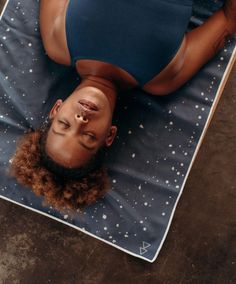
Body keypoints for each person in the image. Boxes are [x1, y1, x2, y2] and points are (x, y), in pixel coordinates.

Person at [9, 0, 236, 210]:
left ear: (56, 109)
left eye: (64, 125)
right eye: (88, 137)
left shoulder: (58, 43)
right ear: (109, 135)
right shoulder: (162, 78)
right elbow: (228, 18)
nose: (80, 120)